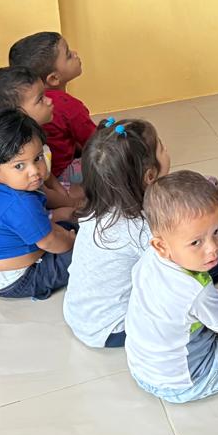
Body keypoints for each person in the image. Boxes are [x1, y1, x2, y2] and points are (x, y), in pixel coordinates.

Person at [125, 171, 218, 403]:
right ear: (161, 245)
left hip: (143, 369)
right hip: (188, 380)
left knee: (202, 308)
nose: (213, 248)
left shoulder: (148, 259)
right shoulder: (194, 290)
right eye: (196, 242)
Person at [63, 118, 168, 348]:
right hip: (115, 329)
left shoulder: (94, 210)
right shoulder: (141, 228)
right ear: (150, 176)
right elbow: (176, 273)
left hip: (78, 314)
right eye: (162, 147)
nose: (166, 149)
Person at [0, 109, 77, 301]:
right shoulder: (20, 203)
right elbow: (49, 241)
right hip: (21, 279)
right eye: (19, 166)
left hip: (1, 273)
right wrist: (73, 242)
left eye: (38, 158)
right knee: (90, 251)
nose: (35, 171)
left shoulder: (1, 187)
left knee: (69, 226)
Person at [0, 65, 79, 220]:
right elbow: (43, 193)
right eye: (40, 99)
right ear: (15, 114)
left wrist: (64, 195)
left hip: (29, 196)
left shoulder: (28, 136)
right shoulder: (12, 151)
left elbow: (46, 174)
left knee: (80, 193)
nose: (49, 101)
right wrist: (73, 204)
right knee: (72, 212)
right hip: (12, 218)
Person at [9, 32, 95, 185]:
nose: (75, 54)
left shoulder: (24, 103)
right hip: (62, 173)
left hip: (39, 171)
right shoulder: (68, 105)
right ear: (54, 78)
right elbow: (95, 142)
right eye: (68, 55)